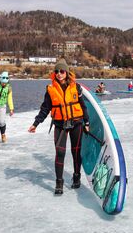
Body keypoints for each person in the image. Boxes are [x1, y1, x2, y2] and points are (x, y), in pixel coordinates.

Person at [28, 59, 90, 195]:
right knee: (60, 152)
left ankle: (76, 176)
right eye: (57, 71)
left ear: (67, 73)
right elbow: (45, 109)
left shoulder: (76, 87)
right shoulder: (50, 90)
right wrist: (35, 124)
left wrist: (86, 123)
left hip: (76, 123)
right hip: (60, 124)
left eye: (62, 71)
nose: (59, 74)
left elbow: (83, 106)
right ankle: (59, 182)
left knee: (75, 151)